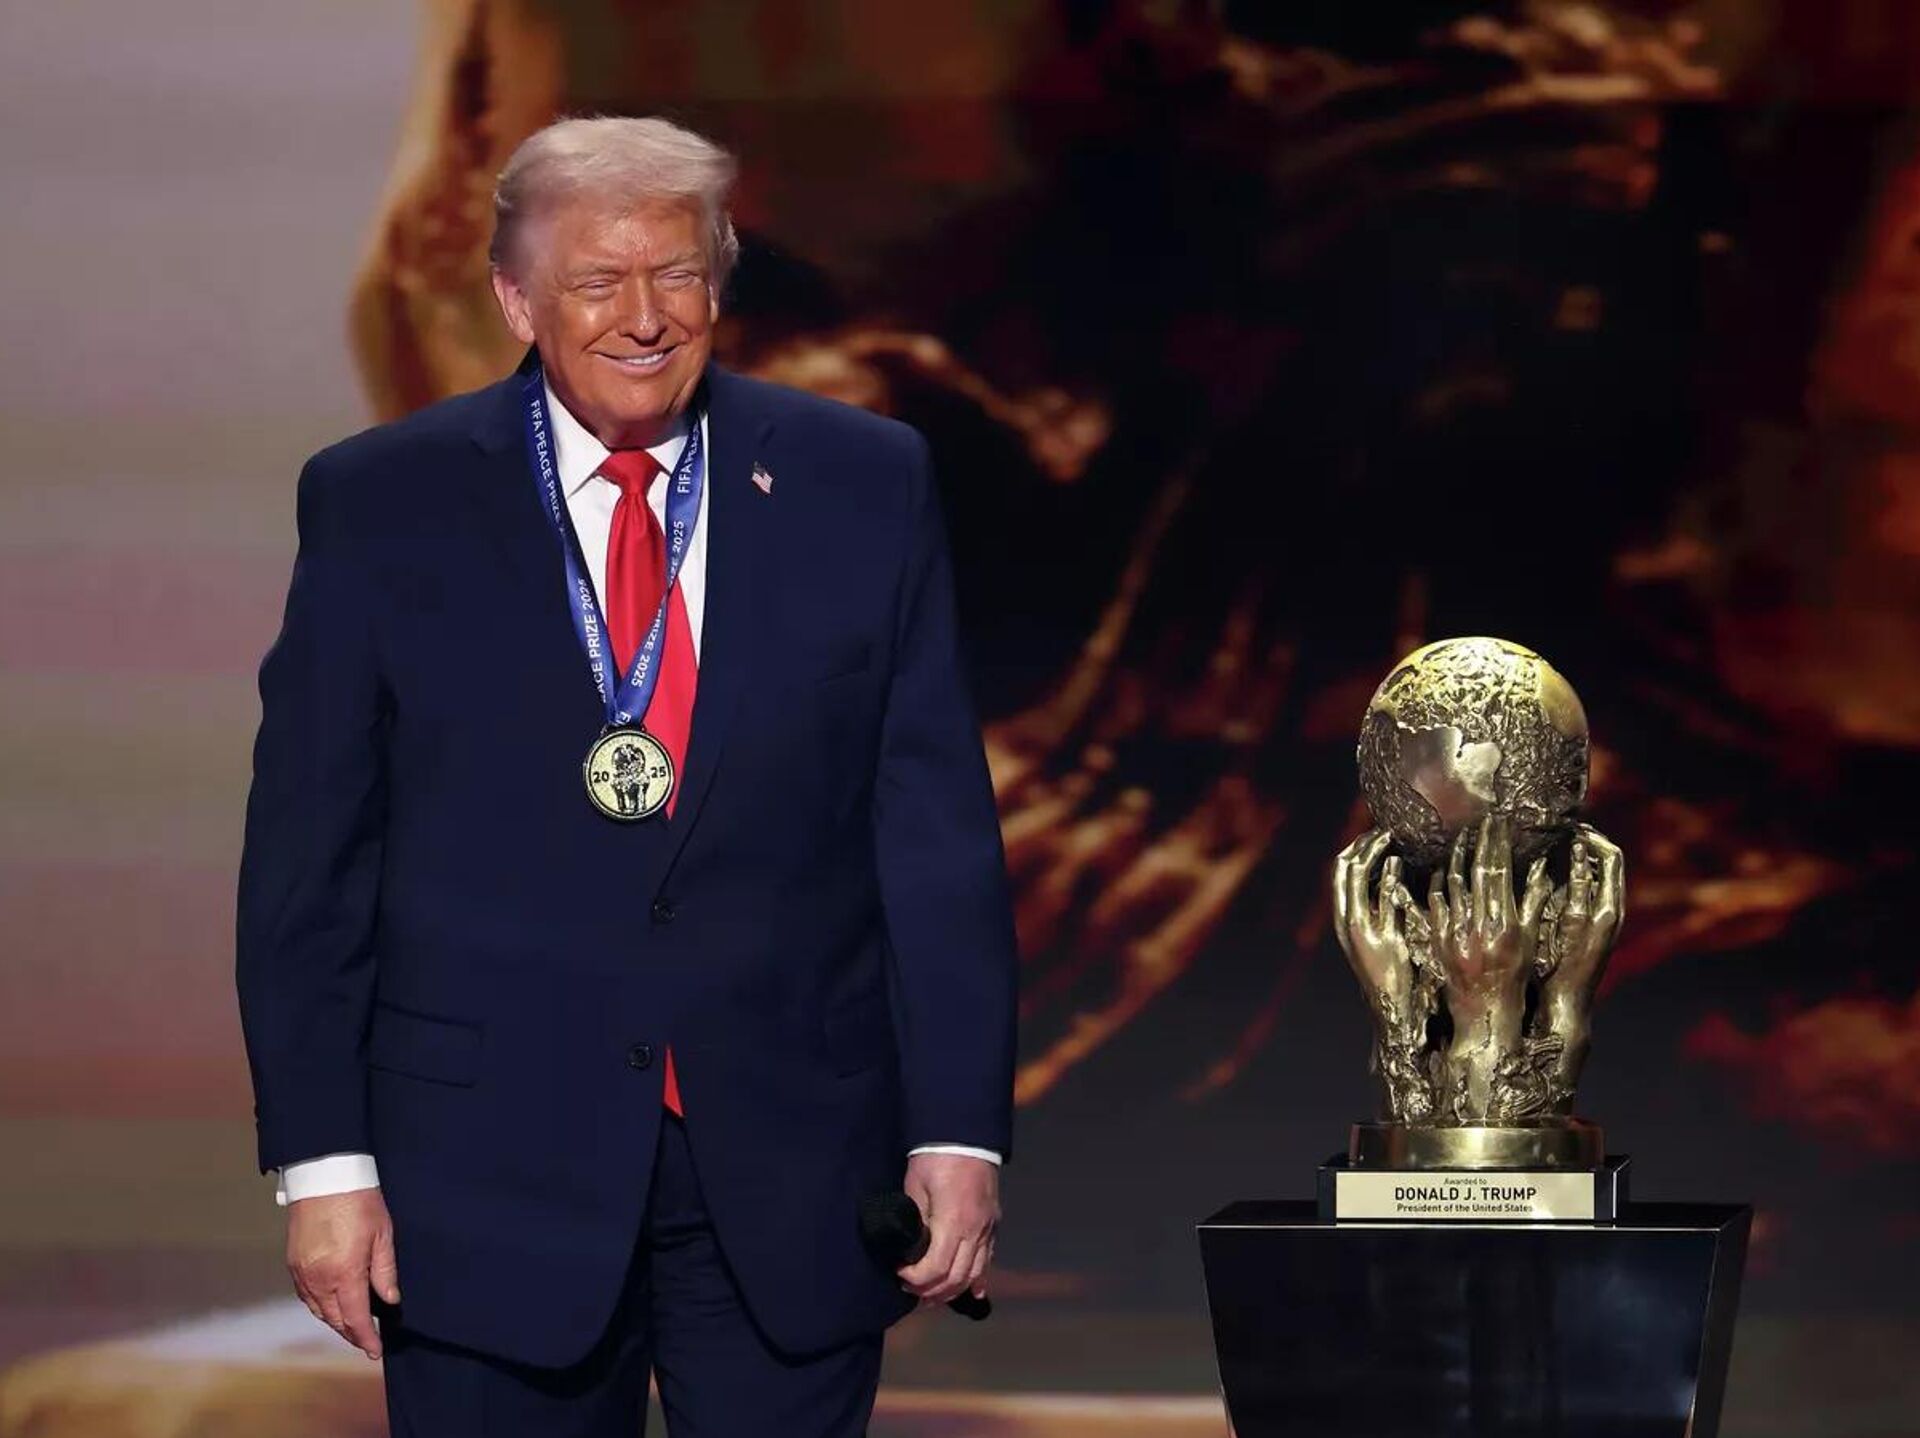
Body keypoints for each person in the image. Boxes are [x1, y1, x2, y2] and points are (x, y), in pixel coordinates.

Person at [236, 115, 1018, 1436]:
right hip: (483, 1179)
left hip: (791, 1167)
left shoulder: (862, 481)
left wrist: (958, 1132)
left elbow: (933, 837)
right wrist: (322, 1163)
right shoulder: (383, 504)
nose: (645, 318)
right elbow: (309, 865)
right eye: (598, 281)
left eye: (678, 275)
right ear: (515, 300)